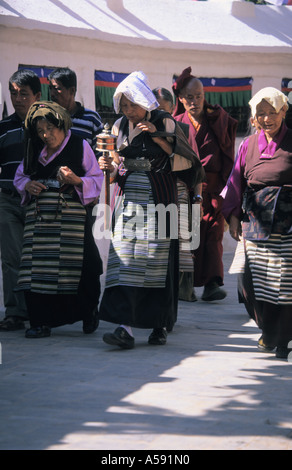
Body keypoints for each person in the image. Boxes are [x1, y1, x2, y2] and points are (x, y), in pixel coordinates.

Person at [98, 71, 204, 349]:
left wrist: (157, 137)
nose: (128, 111)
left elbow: (187, 162)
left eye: (133, 105)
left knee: (159, 264)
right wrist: (109, 168)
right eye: (124, 105)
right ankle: (125, 327)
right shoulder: (121, 125)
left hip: (161, 200)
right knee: (125, 261)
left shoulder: (163, 120)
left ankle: (160, 325)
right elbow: (117, 166)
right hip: (130, 200)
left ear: (145, 101)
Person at [13, 101, 104, 338]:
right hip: (40, 219)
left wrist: (76, 180)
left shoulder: (79, 145)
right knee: (37, 268)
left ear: (62, 125)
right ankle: (41, 322)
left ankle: (87, 311)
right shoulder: (33, 148)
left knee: (85, 264)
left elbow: (96, 177)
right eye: (41, 130)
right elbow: (20, 177)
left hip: (72, 218)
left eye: (50, 129)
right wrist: (28, 185)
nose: (46, 135)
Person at [222, 87, 292, 360]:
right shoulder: (248, 145)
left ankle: (281, 339)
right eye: (260, 114)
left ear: (283, 112)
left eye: (272, 112)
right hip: (254, 222)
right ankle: (268, 328)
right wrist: (233, 216)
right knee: (247, 281)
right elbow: (235, 182)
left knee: (284, 285)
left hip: (287, 225)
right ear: (253, 118)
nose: (266, 119)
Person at [173, 66, 238, 302]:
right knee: (186, 238)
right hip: (186, 189)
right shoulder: (176, 123)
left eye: (199, 96)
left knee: (212, 236)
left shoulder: (216, 120)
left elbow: (227, 152)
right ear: (181, 98)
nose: (195, 101)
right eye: (189, 97)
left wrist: (225, 191)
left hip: (212, 191)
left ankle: (212, 284)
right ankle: (185, 286)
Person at [0, 69, 41, 331]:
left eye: (23, 94)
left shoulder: (46, 126)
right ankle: (15, 313)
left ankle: (40, 312)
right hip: (7, 200)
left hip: (39, 200)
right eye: (13, 94)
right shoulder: (2, 128)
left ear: (37, 96)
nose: (18, 99)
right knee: (12, 257)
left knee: (39, 257)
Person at [152, 87, 201, 302]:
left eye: (164, 109)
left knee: (182, 242)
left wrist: (197, 198)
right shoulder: (145, 130)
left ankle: (183, 290)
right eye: (155, 109)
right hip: (154, 190)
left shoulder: (182, 130)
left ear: (172, 108)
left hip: (178, 191)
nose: (160, 114)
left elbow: (196, 168)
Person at [48, 67, 103, 153]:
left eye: (57, 88)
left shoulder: (92, 118)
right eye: (50, 88)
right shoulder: (48, 118)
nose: (52, 94)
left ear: (72, 91)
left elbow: (99, 153)